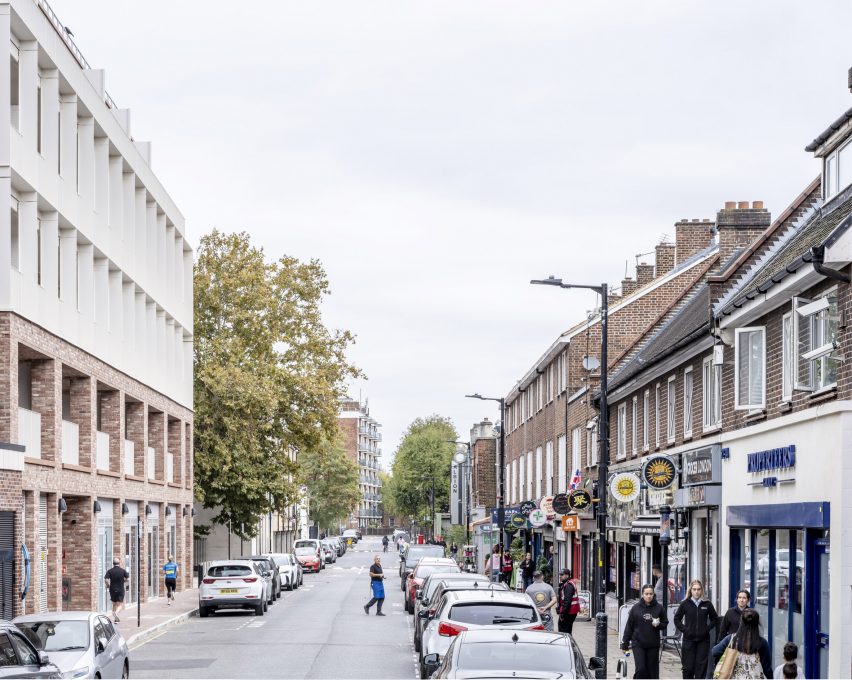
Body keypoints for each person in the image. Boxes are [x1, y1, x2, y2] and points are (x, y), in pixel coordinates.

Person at [673, 579, 718, 679]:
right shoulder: (685, 604)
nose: (696, 592)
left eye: (698, 589)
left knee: (701, 668)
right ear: (691, 590)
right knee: (688, 668)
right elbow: (677, 619)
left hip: (703, 641)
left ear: (701, 590)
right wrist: (685, 630)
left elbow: (715, 619)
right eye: (694, 589)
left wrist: (707, 629)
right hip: (688, 640)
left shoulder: (707, 604)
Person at [620, 584, 667, 679]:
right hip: (638, 643)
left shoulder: (659, 608)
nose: (649, 596)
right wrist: (625, 643)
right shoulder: (636, 608)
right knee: (641, 669)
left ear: (654, 594)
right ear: (642, 594)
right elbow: (629, 626)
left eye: (651, 594)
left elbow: (665, 623)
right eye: (646, 594)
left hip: (653, 644)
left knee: (652, 671)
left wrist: (658, 625)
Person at [711, 609, 772, 678]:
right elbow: (767, 668)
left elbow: (714, 652)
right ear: (757, 624)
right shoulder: (762, 643)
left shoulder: (732, 639)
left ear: (741, 622)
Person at [104, 557, 129, 623]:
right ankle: (116, 613)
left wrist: (108, 585)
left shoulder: (110, 571)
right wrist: (124, 581)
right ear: (119, 563)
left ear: (113, 563)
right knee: (120, 604)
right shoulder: (123, 571)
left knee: (114, 603)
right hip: (120, 589)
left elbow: (106, 579)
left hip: (112, 589)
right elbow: (128, 579)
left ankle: (115, 620)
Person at [557, 568, 580, 635]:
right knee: (567, 631)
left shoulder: (569, 586)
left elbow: (567, 601)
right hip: (570, 612)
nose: (560, 576)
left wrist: (562, 614)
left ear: (567, 575)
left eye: (562, 575)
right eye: (560, 575)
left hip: (568, 612)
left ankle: (566, 644)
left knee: (563, 632)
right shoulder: (566, 584)